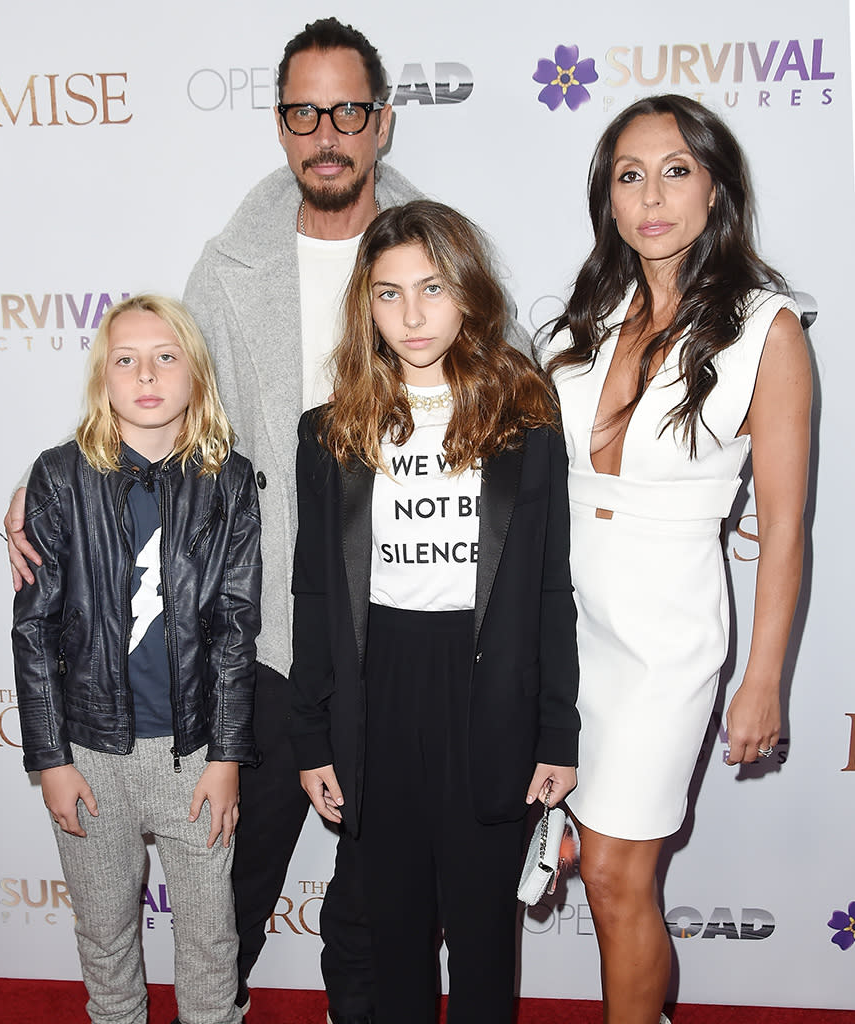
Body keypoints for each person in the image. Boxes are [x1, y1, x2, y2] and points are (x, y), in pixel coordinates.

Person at [4, 21, 530, 1023]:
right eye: (302, 111)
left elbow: (509, 410)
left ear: (380, 120)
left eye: (345, 110)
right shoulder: (229, 265)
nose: (325, 133)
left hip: (409, 637)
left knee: (381, 901)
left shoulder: (436, 254)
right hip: (275, 639)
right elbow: (170, 405)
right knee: (231, 886)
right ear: (281, 124)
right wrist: (57, 479)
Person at [542, 95, 812, 1024]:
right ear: (607, 199)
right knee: (593, 863)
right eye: (629, 175)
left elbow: (784, 527)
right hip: (563, 618)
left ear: (716, 187)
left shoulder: (767, 330)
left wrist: (765, 677)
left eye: (676, 170)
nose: (651, 195)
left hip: (664, 636)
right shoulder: (579, 323)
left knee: (619, 869)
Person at [289, 200, 580, 1024]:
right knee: (395, 940)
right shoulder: (329, 434)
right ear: (365, 306)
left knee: (487, 941)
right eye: (387, 294)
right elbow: (315, 593)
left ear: (469, 295)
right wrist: (312, 736)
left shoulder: (528, 428)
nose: (411, 315)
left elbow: (551, 589)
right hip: (378, 697)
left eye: (432, 287)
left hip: (488, 697)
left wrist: (558, 730)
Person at [11, 295, 262, 1024]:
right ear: (103, 378)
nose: (145, 374)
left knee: (213, 944)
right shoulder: (58, 478)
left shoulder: (230, 479)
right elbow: (34, 632)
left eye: (165, 356)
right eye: (126, 359)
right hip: (90, 757)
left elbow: (237, 629)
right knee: (106, 941)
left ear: (195, 373)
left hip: (196, 758)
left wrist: (228, 757)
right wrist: (51, 760)